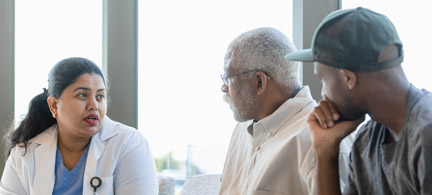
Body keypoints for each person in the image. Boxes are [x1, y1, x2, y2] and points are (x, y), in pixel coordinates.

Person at [285, 7, 432, 195]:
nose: (322, 94)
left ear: (348, 79)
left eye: (323, 80)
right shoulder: (366, 139)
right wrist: (325, 152)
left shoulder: (426, 135)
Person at [219, 27, 353, 195]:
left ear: (259, 82)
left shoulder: (322, 140)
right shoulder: (242, 129)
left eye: (228, 78)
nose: (224, 87)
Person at [0, 57, 159, 194]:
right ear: (54, 105)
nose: (94, 105)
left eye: (100, 96)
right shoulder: (24, 155)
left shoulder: (130, 144)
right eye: (82, 95)